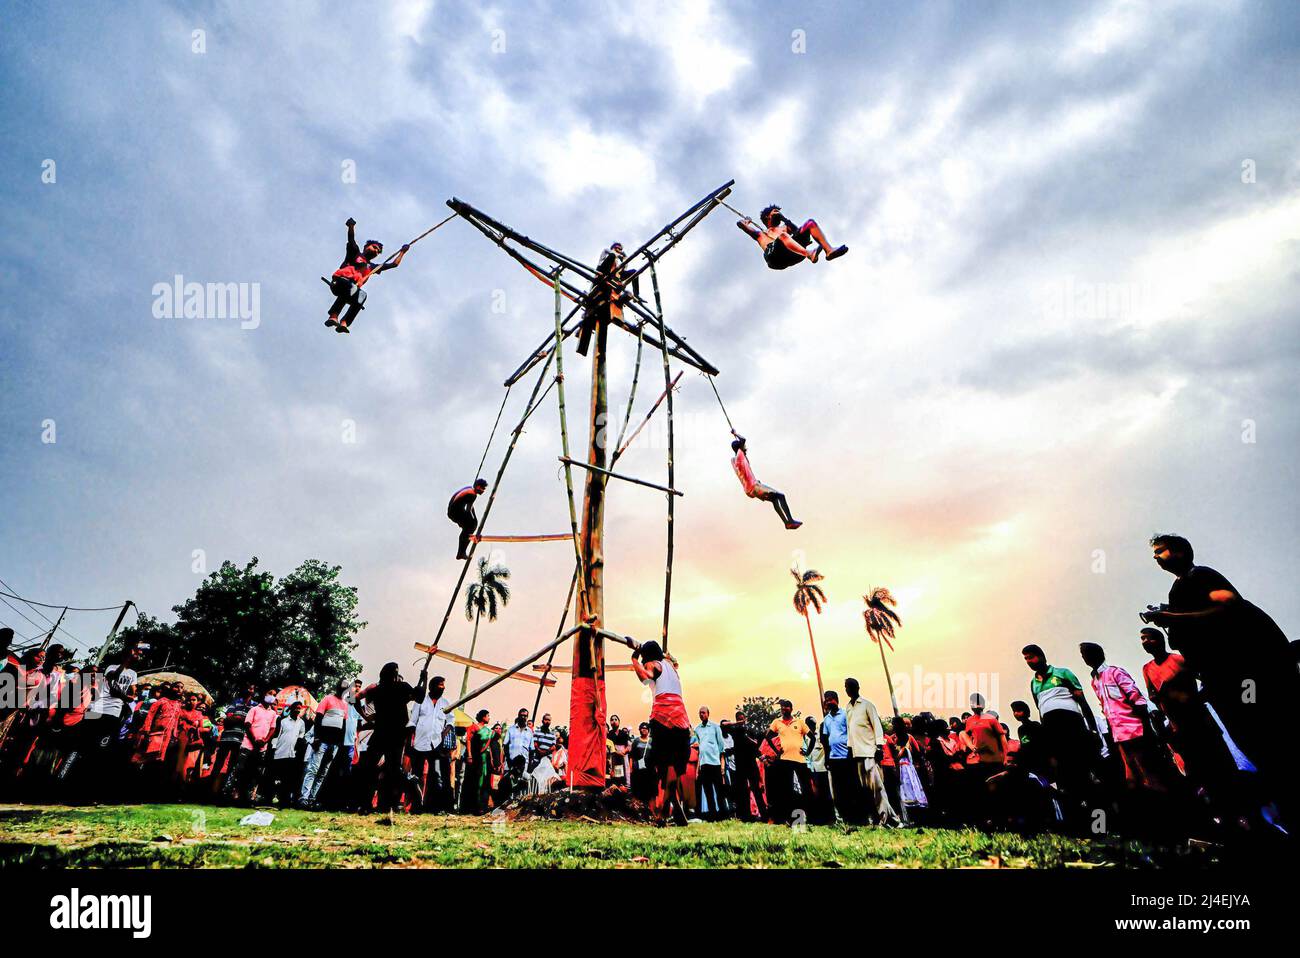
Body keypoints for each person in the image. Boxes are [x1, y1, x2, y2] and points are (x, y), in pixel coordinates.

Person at [1145, 533, 1299, 808]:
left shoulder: (1200, 576)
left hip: (1248, 668)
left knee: (1275, 736)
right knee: (1255, 745)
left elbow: (1228, 605)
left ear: (1180, 551)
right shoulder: (1177, 591)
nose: (1155, 556)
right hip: (1220, 678)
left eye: (1161, 550)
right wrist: (1170, 620)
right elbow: (1184, 634)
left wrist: (1171, 617)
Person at [1139, 627, 1237, 800]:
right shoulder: (1147, 669)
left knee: (1220, 760)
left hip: (1199, 718)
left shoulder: (1178, 659)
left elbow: (1201, 681)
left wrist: (1185, 695)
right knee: (1200, 767)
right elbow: (1152, 695)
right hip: (1179, 726)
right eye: (1142, 639)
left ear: (1160, 639)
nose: (1145, 642)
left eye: (1148, 638)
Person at [1079, 642, 1168, 793]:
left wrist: (1147, 729)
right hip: (1120, 737)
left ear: (1097, 654)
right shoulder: (1095, 681)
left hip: (1136, 732)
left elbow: (1138, 701)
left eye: (1086, 654)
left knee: (1152, 774)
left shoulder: (1115, 673)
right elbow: (1106, 710)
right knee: (1135, 778)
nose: (1084, 658)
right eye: (1083, 655)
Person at [1022, 644, 1099, 810]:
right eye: (1026, 658)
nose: (1029, 661)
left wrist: (1092, 728)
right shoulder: (1033, 683)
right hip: (1052, 730)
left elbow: (1082, 702)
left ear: (1041, 656)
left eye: (1031, 657)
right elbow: (1040, 709)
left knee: (1082, 768)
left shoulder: (1063, 673)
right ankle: (1077, 818)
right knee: (1063, 772)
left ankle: (1099, 820)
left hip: (1072, 724)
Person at [631, 640, 690, 826]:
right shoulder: (672, 667)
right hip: (680, 719)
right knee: (672, 766)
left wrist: (634, 659)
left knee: (664, 765)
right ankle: (672, 805)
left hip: (664, 719)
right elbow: (670, 660)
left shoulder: (653, 664)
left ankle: (664, 810)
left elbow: (645, 677)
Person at [355, 662, 426, 813]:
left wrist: (366, 716)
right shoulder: (402, 688)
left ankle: (365, 804)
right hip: (396, 735)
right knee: (393, 770)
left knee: (370, 768)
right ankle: (388, 804)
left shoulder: (377, 690)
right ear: (395, 675)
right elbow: (419, 697)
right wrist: (423, 678)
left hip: (380, 733)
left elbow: (354, 699)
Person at [324, 217, 408, 333]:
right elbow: (351, 239)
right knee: (350, 287)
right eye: (374, 247)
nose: (376, 251)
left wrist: (402, 252)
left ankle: (344, 323)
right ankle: (333, 315)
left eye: (378, 251)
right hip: (339, 282)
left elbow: (394, 264)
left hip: (352, 289)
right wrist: (351, 226)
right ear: (365, 247)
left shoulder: (373, 267)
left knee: (362, 295)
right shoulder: (355, 253)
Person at [844, 678, 901, 826]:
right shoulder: (848, 708)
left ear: (857, 687)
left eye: (850, 686)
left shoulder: (867, 705)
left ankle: (887, 818)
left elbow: (877, 726)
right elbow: (850, 731)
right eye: (846, 687)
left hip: (869, 752)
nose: (848, 689)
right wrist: (850, 749)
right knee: (866, 790)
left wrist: (879, 747)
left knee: (877, 787)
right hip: (857, 754)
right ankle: (881, 818)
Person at [736, 204, 848, 270]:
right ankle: (809, 253)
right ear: (767, 216)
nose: (777, 213)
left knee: (810, 223)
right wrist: (747, 221)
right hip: (775, 258)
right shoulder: (761, 234)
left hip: (794, 254)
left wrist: (783, 218)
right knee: (783, 236)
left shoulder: (785, 227)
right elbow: (741, 225)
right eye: (775, 212)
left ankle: (828, 251)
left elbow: (796, 232)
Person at [299, 680, 351, 809]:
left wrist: (340, 743)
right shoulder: (328, 698)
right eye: (342, 687)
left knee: (323, 772)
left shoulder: (345, 705)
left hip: (335, 743)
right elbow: (318, 719)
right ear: (337, 687)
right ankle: (303, 797)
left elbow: (343, 725)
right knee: (313, 768)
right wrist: (316, 737)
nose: (343, 690)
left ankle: (313, 798)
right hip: (322, 741)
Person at [730, 435, 800, 529]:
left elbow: (745, 471)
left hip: (749, 490)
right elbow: (743, 440)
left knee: (774, 499)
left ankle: (787, 523)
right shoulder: (740, 455)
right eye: (743, 447)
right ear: (740, 448)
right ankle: (790, 521)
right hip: (755, 486)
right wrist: (735, 433)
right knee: (781, 496)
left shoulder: (734, 460)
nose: (746, 448)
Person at [763, 699, 813, 825]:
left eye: (786, 707)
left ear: (791, 708)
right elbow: (767, 736)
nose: (784, 709)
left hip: (800, 760)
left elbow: (812, 737)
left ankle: (809, 817)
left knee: (804, 789)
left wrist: (807, 752)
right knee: (787, 791)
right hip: (785, 761)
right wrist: (777, 750)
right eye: (782, 707)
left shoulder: (799, 722)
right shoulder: (777, 722)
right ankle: (790, 819)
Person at [407, 675, 452, 813]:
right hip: (420, 743)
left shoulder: (446, 703)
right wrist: (410, 742)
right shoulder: (420, 701)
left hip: (436, 744)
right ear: (432, 686)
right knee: (417, 775)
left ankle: (435, 808)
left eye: (444, 686)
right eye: (440, 686)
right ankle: (416, 806)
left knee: (436, 776)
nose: (443, 689)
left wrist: (443, 735)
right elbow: (412, 722)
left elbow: (450, 722)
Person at [720, 710, 767, 822]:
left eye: (743, 718)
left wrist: (760, 755)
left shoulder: (749, 730)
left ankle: (764, 815)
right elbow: (723, 725)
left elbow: (755, 745)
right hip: (740, 765)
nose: (742, 720)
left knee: (756, 789)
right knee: (743, 791)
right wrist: (737, 723)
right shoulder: (734, 730)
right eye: (739, 718)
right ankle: (746, 816)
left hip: (751, 763)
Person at [819, 691, 855, 823]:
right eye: (826, 700)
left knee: (850, 787)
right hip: (834, 759)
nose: (828, 702)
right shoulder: (827, 719)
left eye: (830, 700)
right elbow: (826, 740)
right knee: (839, 790)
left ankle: (855, 816)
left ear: (836, 700)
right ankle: (844, 817)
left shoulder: (845, 714)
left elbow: (852, 734)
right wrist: (827, 758)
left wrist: (851, 753)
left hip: (847, 757)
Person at [264, 701, 307, 806]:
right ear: (291, 709)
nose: (297, 710)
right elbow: (276, 735)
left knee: (287, 779)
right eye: (296, 708)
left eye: (299, 708)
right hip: (279, 753)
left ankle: (284, 801)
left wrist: (299, 743)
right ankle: (268, 799)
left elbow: (301, 734)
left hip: (291, 754)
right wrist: (273, 748)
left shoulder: (301, 723)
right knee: (273, 777)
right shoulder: (283, 721)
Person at [691, 706, 727, 821]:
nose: (701, 715)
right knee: (708, 791)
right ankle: (712, 816)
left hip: (715, 763)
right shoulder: (698, 729)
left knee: (719, 790)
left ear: (708, 714)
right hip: (704, 764)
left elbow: (721, 745)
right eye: (700, 713)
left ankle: (723, 815)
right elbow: (697, 744)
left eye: (703, 713)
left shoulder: (715, 727)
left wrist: (721, 763)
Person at [802, 714, 832, 824]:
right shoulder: (804, 737)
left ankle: (829, 818)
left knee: (826, 794)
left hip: (823, 768)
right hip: (812, 769)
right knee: (815, 795)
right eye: (809, 725)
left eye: (812, 725)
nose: (811, 727)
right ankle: (819, 819)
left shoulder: (821, 735)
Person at [448, 479, 489, 560]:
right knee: (470, 527)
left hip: (453, 511)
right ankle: (461, 552)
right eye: (482, 488)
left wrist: (474, 519)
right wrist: (473, 523)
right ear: (477, 487)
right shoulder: (472, 494)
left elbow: (470, 507)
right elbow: (468, 510)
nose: (483, 491)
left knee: (471, 525)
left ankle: (461, 551)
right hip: (455, 512)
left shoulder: (469, 489)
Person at [505, 708, 533, 798]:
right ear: (518, 715)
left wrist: (530, 765)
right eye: (521, 715)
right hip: (512, 761)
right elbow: (505, 745)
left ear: (527, 717)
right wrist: (508, 760)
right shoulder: (511, 729)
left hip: (524, 763)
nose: (523, 717)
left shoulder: (529, 732)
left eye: (525, 716)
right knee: (510, 784)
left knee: (522, 785)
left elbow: (531, 749)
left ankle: (518, 808)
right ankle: (507, 807)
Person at [630, 722, 656, 804]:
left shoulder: (652, 741)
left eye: (646, 728)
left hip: (649, 770)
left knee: (648, 787)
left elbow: (655, 755)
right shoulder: (636, 741)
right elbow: (631, 756)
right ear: (639, 730)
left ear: (648, 730)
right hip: (638, 769)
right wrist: (631, 768)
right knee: (638, 787)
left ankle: (647, 805)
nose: (644, 730)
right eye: (642, 728)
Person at [606, 714, 631, 787]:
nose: (614, 721)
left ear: (619, 722)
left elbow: (628, 746)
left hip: (623, 756)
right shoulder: (609, 734)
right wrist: (617, 752)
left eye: (615, 719)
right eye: (612, 720)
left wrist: (624, 751)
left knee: (624, 771)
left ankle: (624, 787)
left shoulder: (623, 733)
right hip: (613, 756)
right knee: (615, 773)